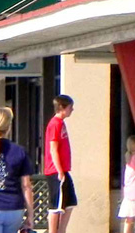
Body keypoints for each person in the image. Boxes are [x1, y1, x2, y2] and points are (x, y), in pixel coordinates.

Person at [44, 95, 77, 233]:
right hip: (56, 171)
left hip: (64, 169)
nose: (72, 110)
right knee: (56, 205)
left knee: (70, 202)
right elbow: (53, 148)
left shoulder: (61, 123)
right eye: (70, 107)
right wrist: (59, 170)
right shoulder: (55, 124)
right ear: (62, 108)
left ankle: (61, 230)